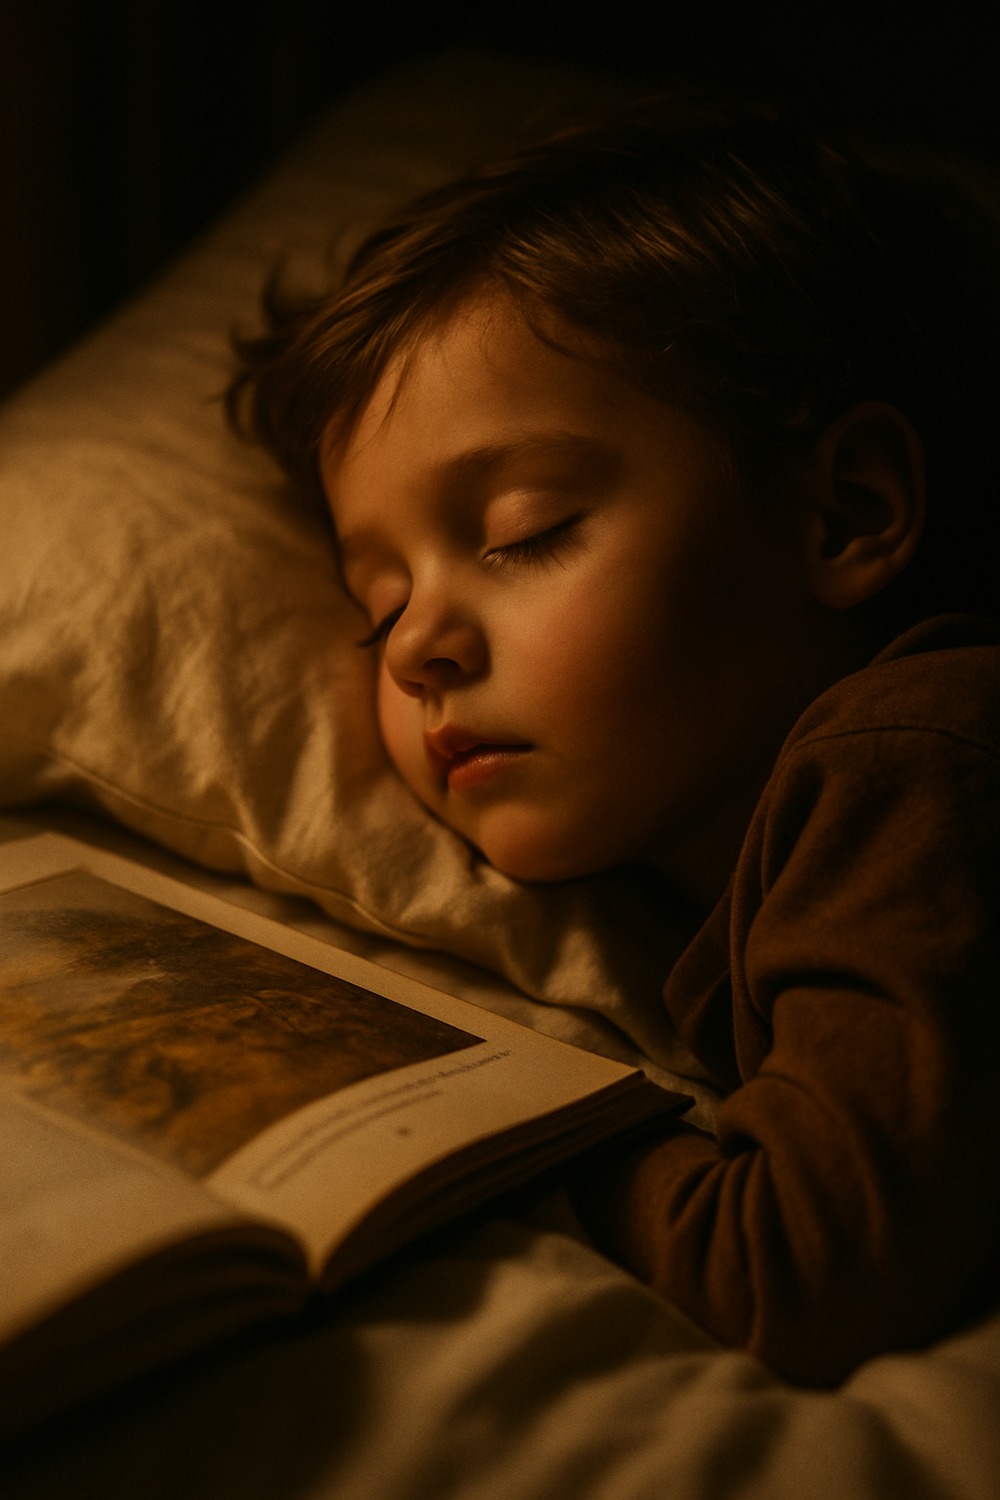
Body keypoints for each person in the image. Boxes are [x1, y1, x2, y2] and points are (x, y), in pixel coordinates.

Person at [227, 96, 1000, 1386]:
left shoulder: (916, 754)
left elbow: (792, 1272)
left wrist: (506, 1128)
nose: (419, 648)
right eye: (379, 607)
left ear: (846, 511)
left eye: (524, 529)